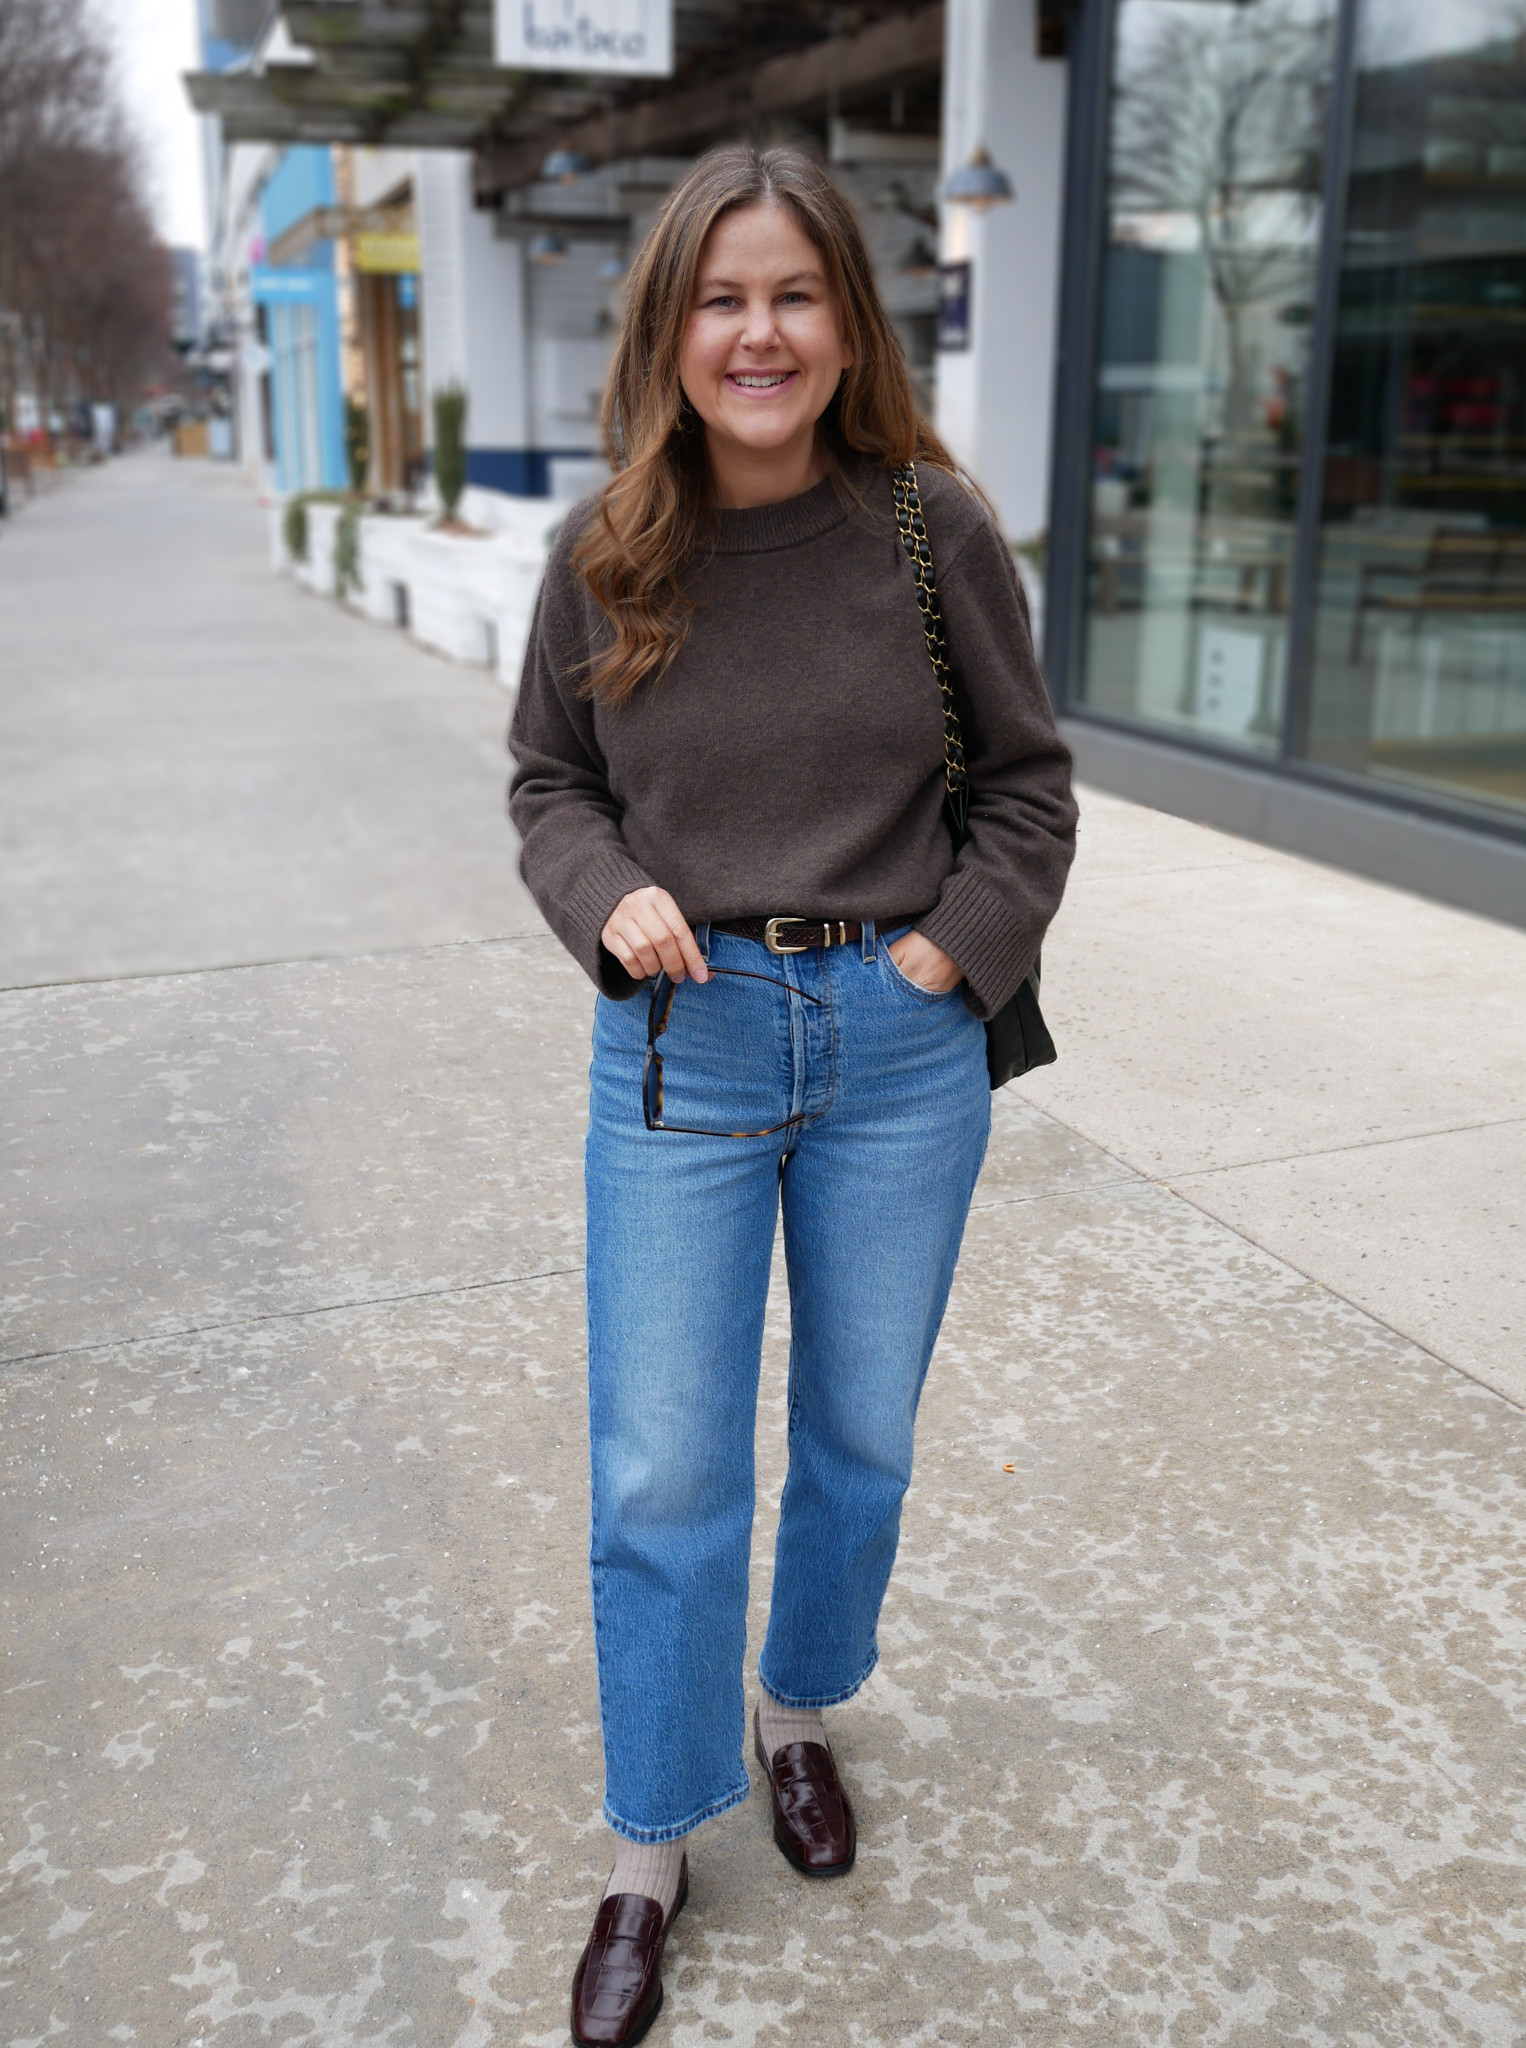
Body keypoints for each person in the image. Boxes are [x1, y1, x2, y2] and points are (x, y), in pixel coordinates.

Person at [509, 142, 1076, 2047]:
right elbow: (546, 789)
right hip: (681, 1049)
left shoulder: (929, 531)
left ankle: (796, 1710)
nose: (756, 333)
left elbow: (1026, 788)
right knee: (664, 1466)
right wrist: (607, 893)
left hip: (900, 1055)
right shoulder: (602, 551)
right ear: (668, 327)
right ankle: (651, 1844)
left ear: (847, 321)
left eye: (793, 294)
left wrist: (947, 957)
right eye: (719, 298)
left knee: (859, 1439)